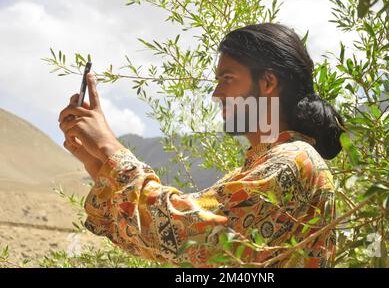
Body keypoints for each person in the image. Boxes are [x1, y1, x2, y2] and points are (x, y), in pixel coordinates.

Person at [58, 23, 344, 267]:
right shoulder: (267, 164)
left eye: (228, 79)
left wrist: (110, 148)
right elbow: (159, 235)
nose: (217, 94)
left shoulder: (291, 162)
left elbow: (184, 233)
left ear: (268, 82)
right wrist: (96, 162)